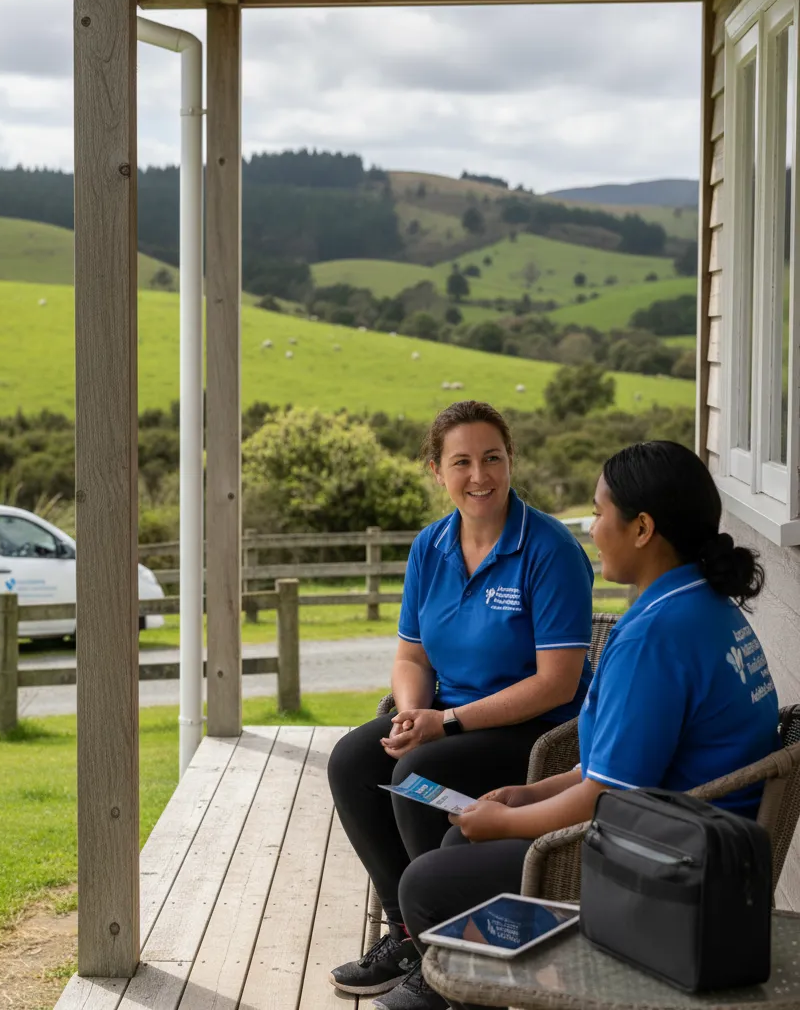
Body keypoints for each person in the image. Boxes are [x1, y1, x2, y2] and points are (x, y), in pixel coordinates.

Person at [395, 440, 780, 1010]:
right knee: (457, 843)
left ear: (642, 528)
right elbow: (609, 768)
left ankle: (480, 993)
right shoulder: (702, 604)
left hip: (669, 869)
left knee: (427, 885)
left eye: (600, 513)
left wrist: (508, 822)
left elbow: (608, 795)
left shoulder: (655, 636)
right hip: (693, 836)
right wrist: (528, 794)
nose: (593, 527)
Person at [326, 400, 596, 1008]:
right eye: (463, 462)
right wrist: (410, 715)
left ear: (510, 460)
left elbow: (556, 683)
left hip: (538, 734)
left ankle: (447, 956)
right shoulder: (432, 546)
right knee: (353, 761)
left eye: (493, 458)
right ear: (437, 471)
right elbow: (411, 657)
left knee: (419, 772)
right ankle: (407, 933)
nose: (481, 476)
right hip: (447, 717)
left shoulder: (548, 549)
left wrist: (442, 724)